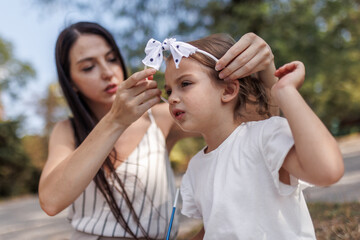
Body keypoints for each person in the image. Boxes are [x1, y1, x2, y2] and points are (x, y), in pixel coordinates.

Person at [38, 21, 278, 240]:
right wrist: (115, 121)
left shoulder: (159, 118)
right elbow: (51, 201)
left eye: (111, 59)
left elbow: (263, 115)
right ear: (71, 82)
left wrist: (266, 68)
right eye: (88, 67)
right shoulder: (67, 130)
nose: (107, 72)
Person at [163, 34, 344, 239]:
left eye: (185, 83)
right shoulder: (195, 167)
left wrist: (285, 91)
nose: (172, 99)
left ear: (229, 90)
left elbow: (328, 171)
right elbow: (215, 226)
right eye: (168, 91)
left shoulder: (263, 136)